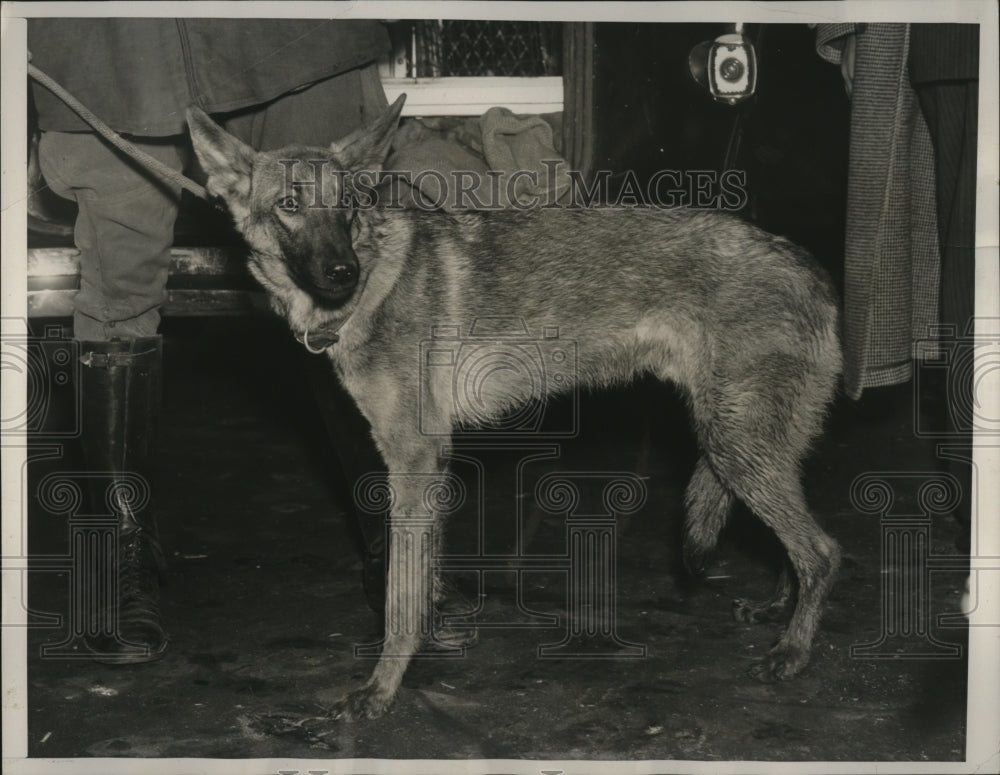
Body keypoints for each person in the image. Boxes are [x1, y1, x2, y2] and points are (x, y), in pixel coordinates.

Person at [29, 18, 391, 662]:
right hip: (109, 49)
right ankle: (122, 558)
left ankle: (399, 548)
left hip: (293, 36)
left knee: (351, 279)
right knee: (117, 290)